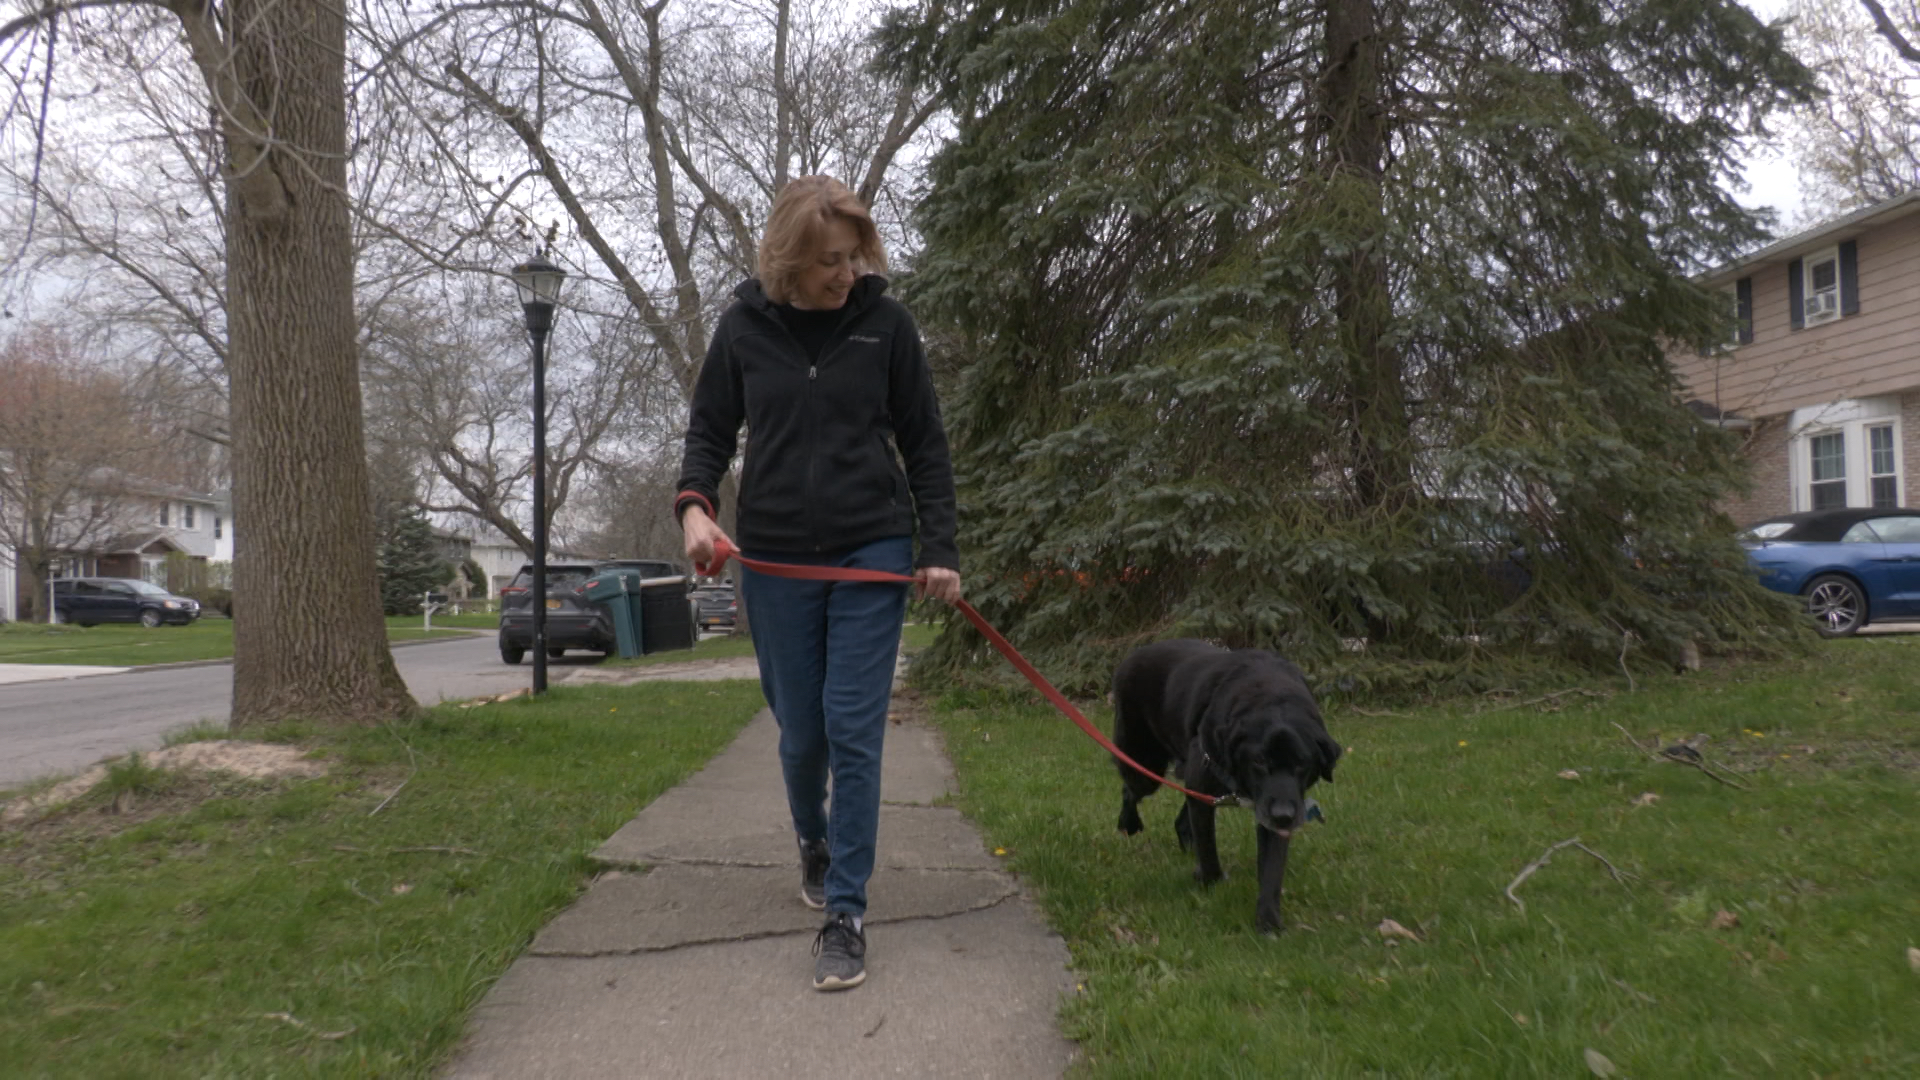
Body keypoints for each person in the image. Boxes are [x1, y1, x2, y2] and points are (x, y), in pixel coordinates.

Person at [675, 175, 961, 992]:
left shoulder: (886, 326)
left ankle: (847, 913)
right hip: (772, 557)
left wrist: (935, 544)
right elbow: (707, 435)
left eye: (854, 257)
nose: (848, 274)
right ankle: (814, 839)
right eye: (830, 261)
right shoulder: (742, 330)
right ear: (789, 261)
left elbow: (926, 443)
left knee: (853, 729)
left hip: (872, 546)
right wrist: (695, 510)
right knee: (802, 733)